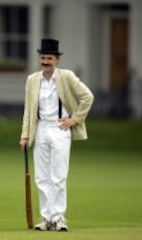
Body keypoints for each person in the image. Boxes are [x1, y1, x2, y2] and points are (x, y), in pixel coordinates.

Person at [19, 39, 94, 231]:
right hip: (41, 129)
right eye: (43, 57)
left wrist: (75, 119)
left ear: (57, 60)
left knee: (58, 176)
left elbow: (88, 97)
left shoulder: (66, 76)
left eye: (49, 58)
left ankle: (59, 218)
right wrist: (25, 135)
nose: (45, 61)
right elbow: (28, 110)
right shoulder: (32, 79)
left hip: (60, 128)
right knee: (41, 177)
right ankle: (46, 219)